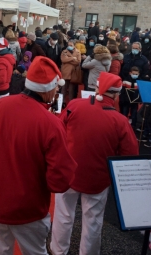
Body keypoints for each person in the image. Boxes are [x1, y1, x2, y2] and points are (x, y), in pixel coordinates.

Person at [0, 56, 76, 255]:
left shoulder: (1, 105)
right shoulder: (50, 123)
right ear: (49, 88)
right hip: (28, 207)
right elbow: (59, 180)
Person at [50, 72, 139, 255]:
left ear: (98, 88)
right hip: (97, 179)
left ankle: (58, 250)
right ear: (115, 95)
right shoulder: (121, 121)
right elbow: (130, 154)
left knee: (63, 214)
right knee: (93, 220)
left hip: (69, 172)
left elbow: (59, 131)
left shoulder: (74, 105)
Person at [60, 40, 81, 106]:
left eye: (71, 45)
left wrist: (68, 59)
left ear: (74, 45)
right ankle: (62, 102)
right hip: (65, 72)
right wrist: (72, 58)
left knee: (71, 90)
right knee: (63, 89)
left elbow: (78, 62)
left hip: (73, 73)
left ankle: (71, 103)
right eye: (68, 45)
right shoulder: (64, 51)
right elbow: (63, 60)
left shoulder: (78, 52)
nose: (69, 46)